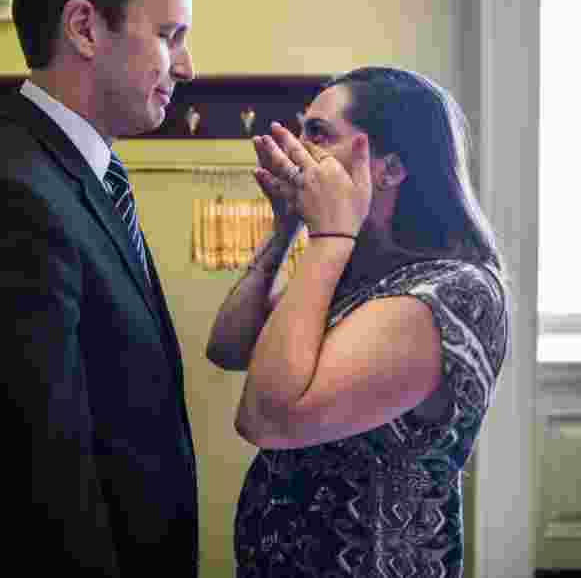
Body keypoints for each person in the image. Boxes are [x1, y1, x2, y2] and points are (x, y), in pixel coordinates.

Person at [0, 0, 199, 577]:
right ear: (83, 28)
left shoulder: (77, 177)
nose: (186, 65)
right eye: (168, 35)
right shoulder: (11, 200)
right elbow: (40, 487)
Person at [206, 66, 510, 577]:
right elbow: (229, 346)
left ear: (389, 169)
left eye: (318, 134)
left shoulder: (450, 291)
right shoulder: (350, 268)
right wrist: (285, 232)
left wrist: (327, 240)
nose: (296, 151)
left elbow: (267, 418)